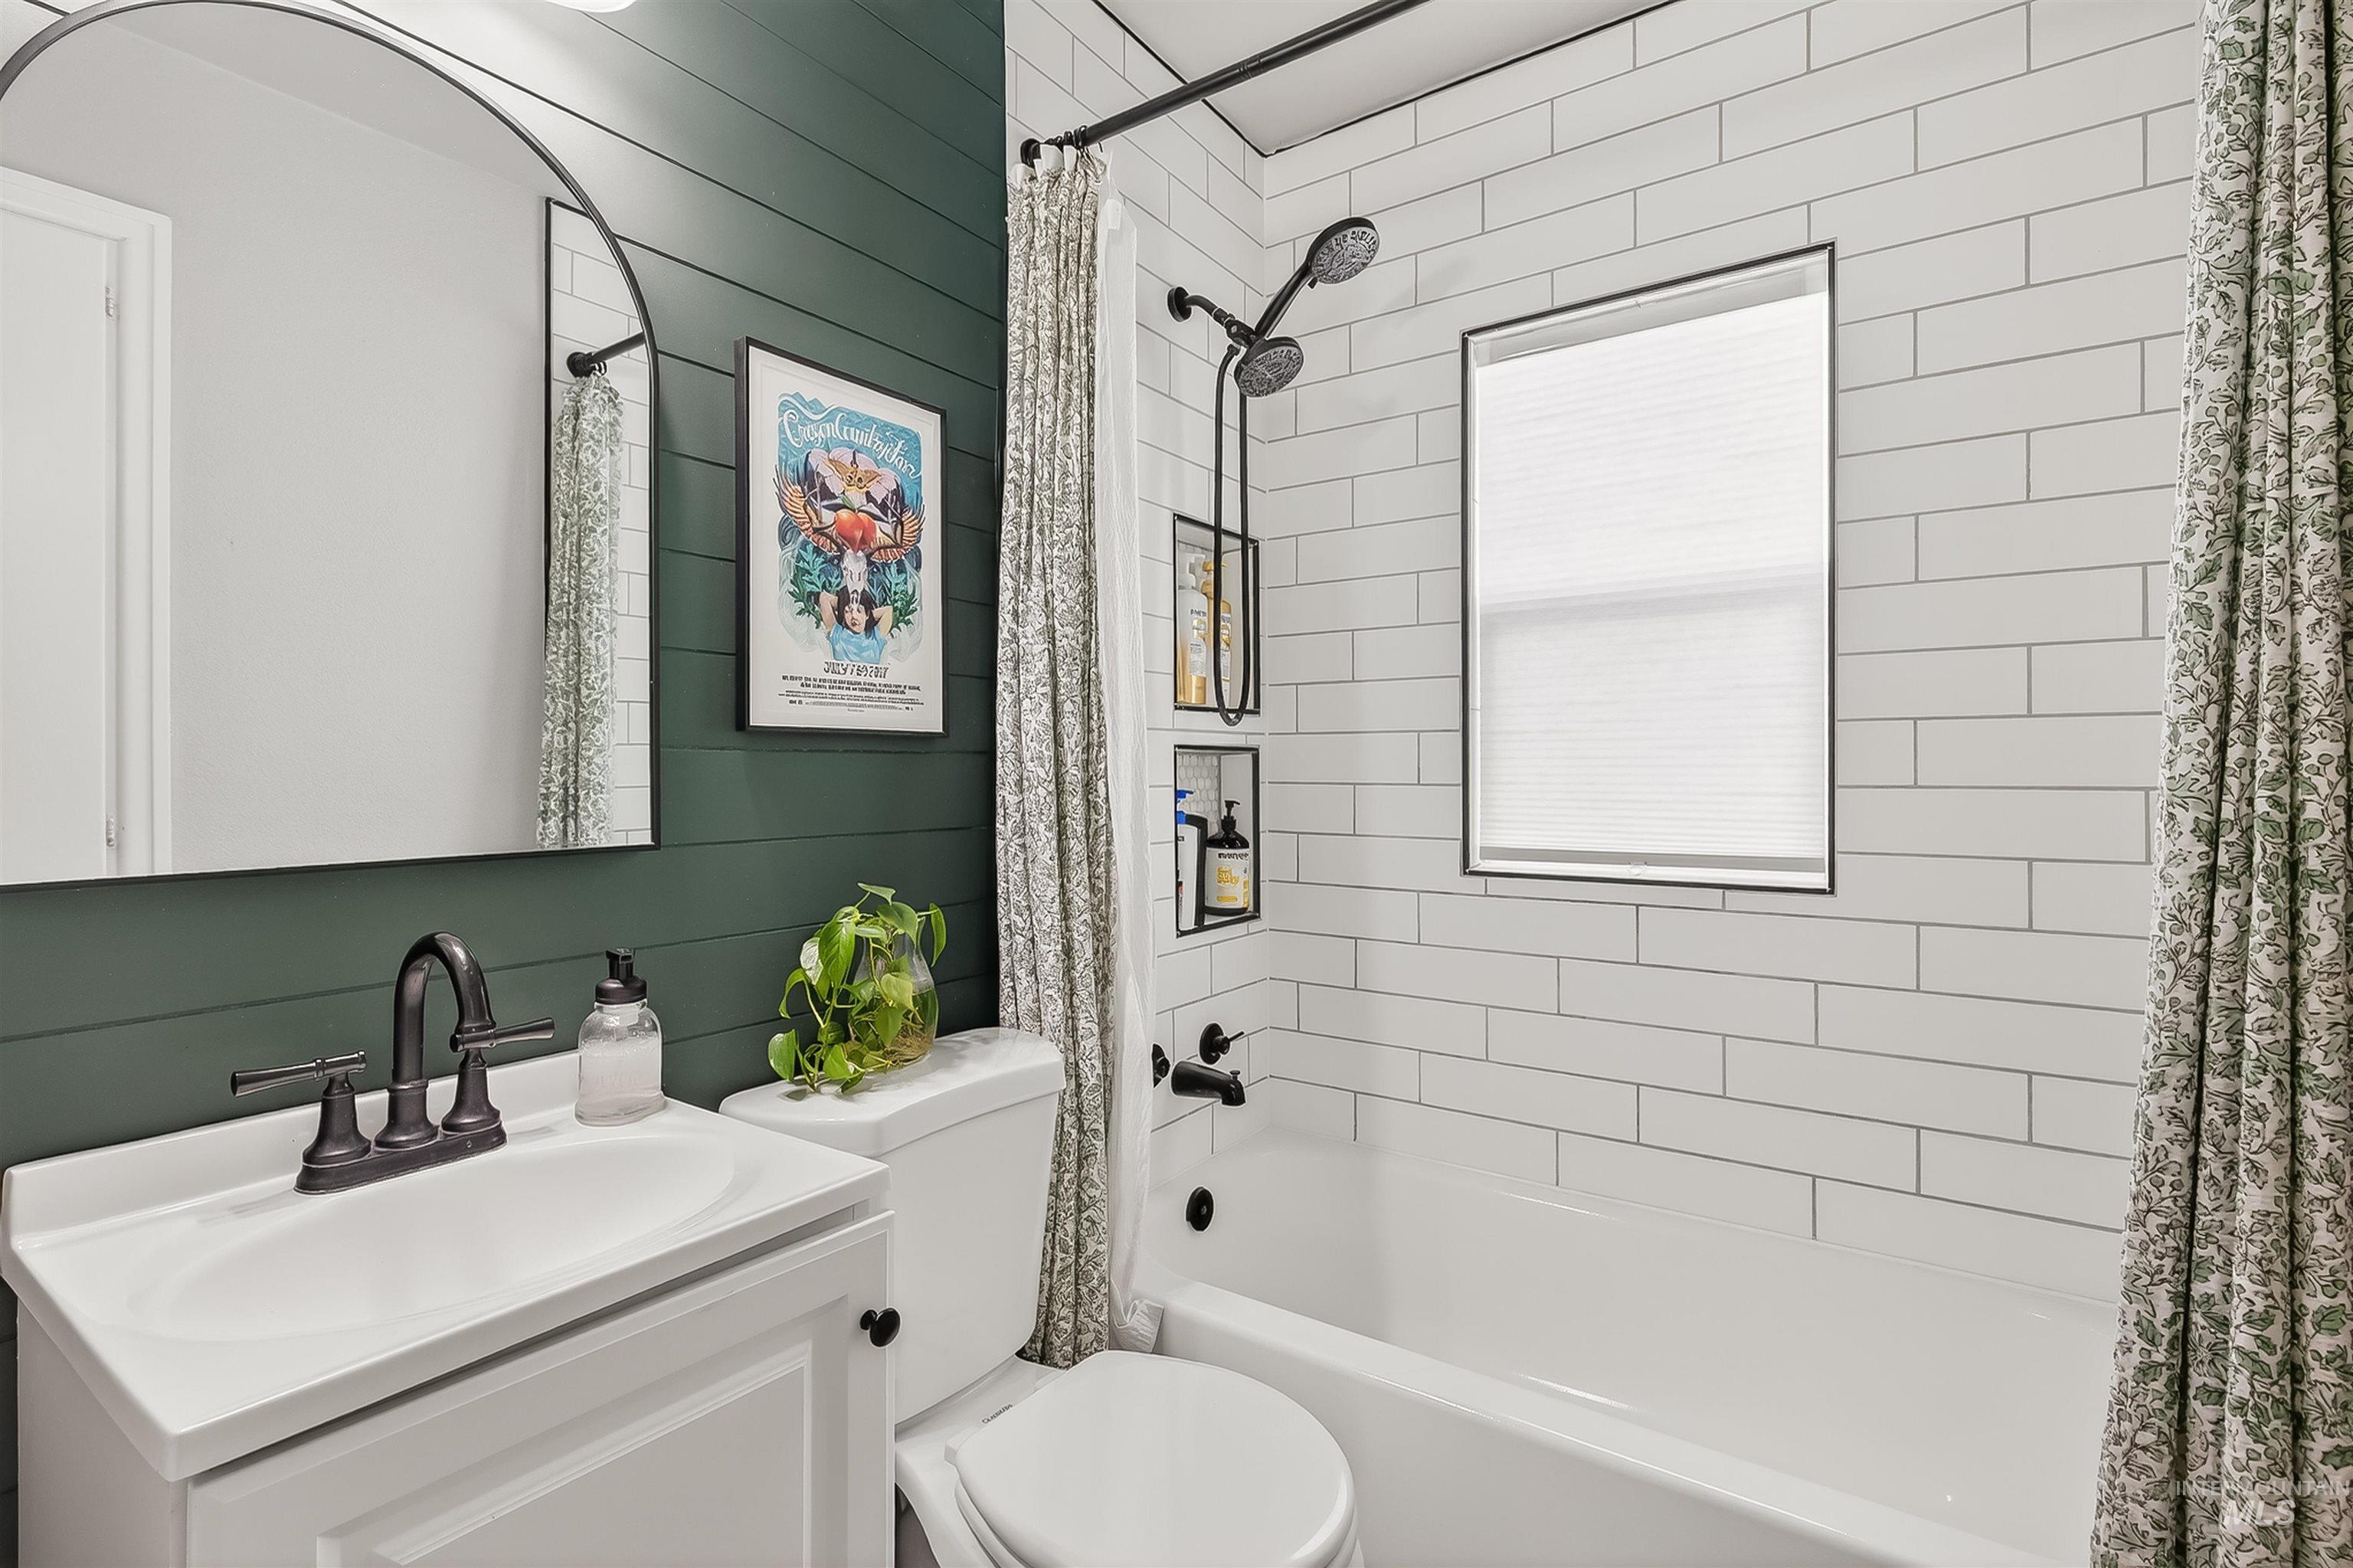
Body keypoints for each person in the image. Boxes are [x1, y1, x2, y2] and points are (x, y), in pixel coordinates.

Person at [827, 588, 887, 664]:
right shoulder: (837, 633)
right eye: (848, 611)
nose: (854, 616)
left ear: (867, 614)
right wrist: (844, 602)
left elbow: (888, 611)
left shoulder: (875, 636)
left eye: (859, 611)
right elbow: (824, 599)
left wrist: (867, 612)